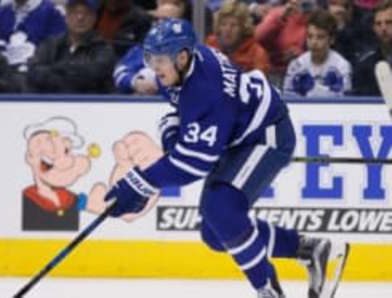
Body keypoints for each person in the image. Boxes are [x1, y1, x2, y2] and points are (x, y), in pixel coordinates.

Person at [104, 18, 349, 298]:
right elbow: (167, 97)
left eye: (159, 60)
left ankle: (267, 289)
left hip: (265, 135)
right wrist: (171, 124)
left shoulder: (207, 92)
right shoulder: (183, 65)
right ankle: (311, 249)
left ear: (182, 57)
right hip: (238, 136)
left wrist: (139, 182)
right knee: (216, 231)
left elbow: (191, 164)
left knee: (221, 210)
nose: (154, 66)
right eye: (151, 58)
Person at [26, 0, 116, 93]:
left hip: (89, 105)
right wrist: (68, 71)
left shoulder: (103, 49)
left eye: (87, 13)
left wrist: (56, 70)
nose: (80, 17)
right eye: (74, 12)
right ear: (66, 16)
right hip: (51, 104)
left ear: (94, 18)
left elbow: (89, 78)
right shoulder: (50, 45)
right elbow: (34, 73)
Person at [283, 10, 352, 97]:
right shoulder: (297, 65)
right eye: (310, 36)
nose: (314, 42)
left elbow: (345, 101)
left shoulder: (342, 66)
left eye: (320, 37)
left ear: (331, 39)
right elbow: (288, 99)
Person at [0, 0, 66, 71]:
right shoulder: (0, 13)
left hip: (35, 79)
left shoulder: (52, 13)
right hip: (1, 76)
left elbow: (58, 53)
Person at [206, 1, 271, 74]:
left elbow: (259, 82)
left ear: (243, 28)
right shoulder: (209, 45)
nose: (228, 30)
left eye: (233, 25)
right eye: (223, 24)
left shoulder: (257, 54)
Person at [353, 0, 392, 95]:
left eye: (389, 22)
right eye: (378, 24)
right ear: (374, 28)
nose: (383, 28)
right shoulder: (364, 66)